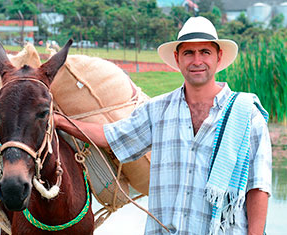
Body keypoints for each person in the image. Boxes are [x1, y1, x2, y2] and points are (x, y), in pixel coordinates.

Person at [54, 16, 271, 235]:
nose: (197, 61)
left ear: (218, 57)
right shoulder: (157, 110)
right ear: (177, 59)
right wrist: (59, 121)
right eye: (189, 53)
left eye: (205, 52)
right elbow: (111, 136)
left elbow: (258, 186)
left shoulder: (246, 115)